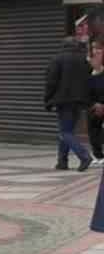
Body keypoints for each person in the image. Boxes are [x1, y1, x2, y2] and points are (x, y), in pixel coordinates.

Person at [46, 36, 95, 171]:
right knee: (67, 131)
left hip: (64, 101)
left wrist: (48, 99)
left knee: (65, 132)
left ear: (63, 46)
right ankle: (62, 162)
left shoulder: (58, 59)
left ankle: (84, 156)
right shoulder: (84, 60)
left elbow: (51, 82)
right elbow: (90, 79)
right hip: (79, 101)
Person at [87, 43, 104, 160]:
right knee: (93, 129)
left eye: (99, 51)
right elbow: (83, 91)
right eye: (94, 52)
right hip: (93, 106)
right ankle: (98, 155)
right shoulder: (87, 74)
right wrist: (94, 104)